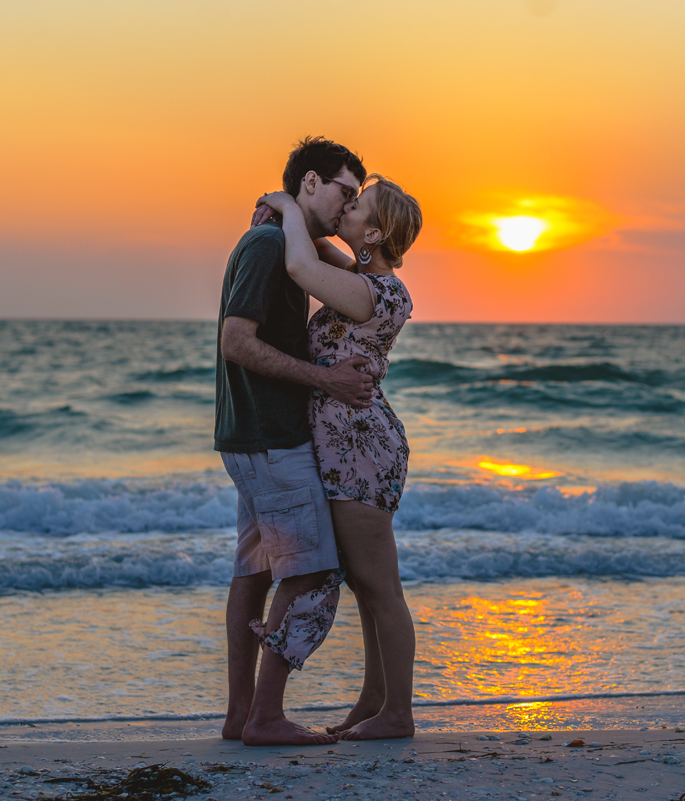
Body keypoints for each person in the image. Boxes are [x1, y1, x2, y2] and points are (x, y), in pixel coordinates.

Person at [215, 136, 374, 746]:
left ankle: (240, 716)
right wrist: (327, 379)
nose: (348, 204)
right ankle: (265, 718)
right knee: (309, 573)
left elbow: (357, 271)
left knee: (254, 572)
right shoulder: (264, 245)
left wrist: (288, 211)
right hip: (270, 439)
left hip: (253, 436)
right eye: (343, 191)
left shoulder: (284, 238)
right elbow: (237, 341)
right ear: (311, 181)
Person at [254, 173, 422, 740]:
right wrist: (295, 216)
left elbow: (303, 265)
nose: (345, 208)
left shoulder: (373, 292)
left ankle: (398, 713)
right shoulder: (359, 276)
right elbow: (319, 243)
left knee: (380, 587)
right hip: (348, 446)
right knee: (365, 585)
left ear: (374, 232)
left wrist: (281, 201)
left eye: (358, 205)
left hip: (360, 451)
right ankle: (374, 702)